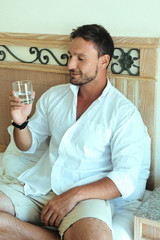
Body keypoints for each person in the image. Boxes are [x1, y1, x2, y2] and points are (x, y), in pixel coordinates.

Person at [0, 24, 150, 240]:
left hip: (86, 197)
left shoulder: (123, 113)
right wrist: (20, 122)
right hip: (40, 188)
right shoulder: (55, 96)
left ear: (104, 61)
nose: (70, 64)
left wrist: (73, 195)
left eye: (81, 58)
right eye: (70, 56)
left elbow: (125, 178)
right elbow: (27, 145)